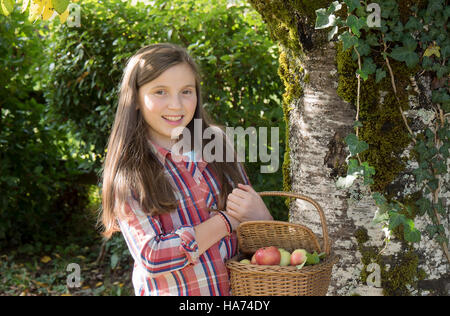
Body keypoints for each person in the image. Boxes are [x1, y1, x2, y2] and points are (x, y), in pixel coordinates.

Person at [99, 43, 273, 296]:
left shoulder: (217, 144)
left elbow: (251, 237)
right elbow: (153, 256)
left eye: (186, 91)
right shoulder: (131, 172)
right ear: (135, 98)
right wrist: (227, 221)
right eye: (160, 91)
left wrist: (262, 217)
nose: (176, 105)